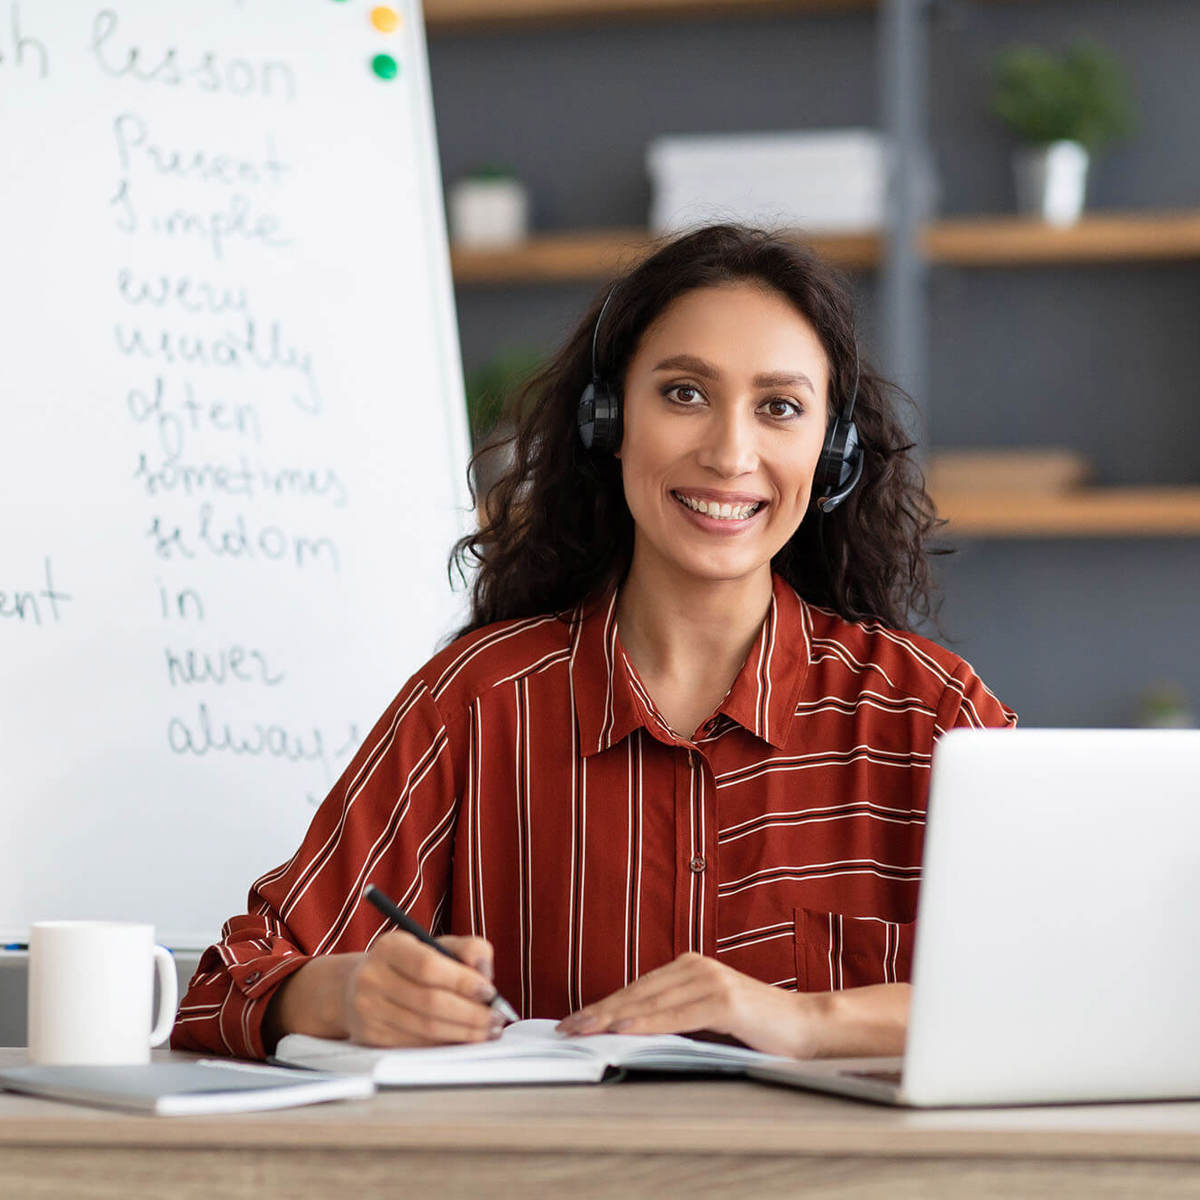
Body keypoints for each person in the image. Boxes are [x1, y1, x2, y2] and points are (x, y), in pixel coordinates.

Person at [171, 224, 1015, 1062]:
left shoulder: (933, 718)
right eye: (684, 393)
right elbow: (229, 981)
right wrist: (351, 994)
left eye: (780, 407)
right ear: (607, 420)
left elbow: (1068, 988)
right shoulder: (477, 703)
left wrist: (806, 1020)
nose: (729, 452)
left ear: (831, 454)